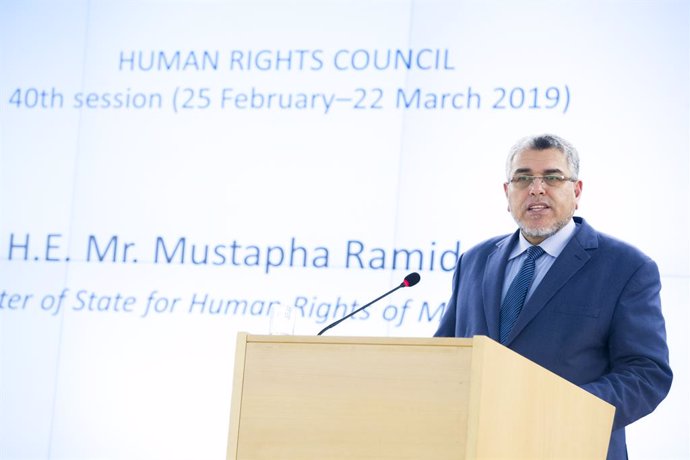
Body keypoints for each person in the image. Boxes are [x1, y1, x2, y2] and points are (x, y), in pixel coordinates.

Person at [434, 134, 672, 459]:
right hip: (479, 447)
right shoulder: (474, 261)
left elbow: (646, 373)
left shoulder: (627, 267)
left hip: (571, 446)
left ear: (577, 190)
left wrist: (561, 409)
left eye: (552, 177)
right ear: (507, 193)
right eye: (523, 178)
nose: (536, 188)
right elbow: (446, 357)